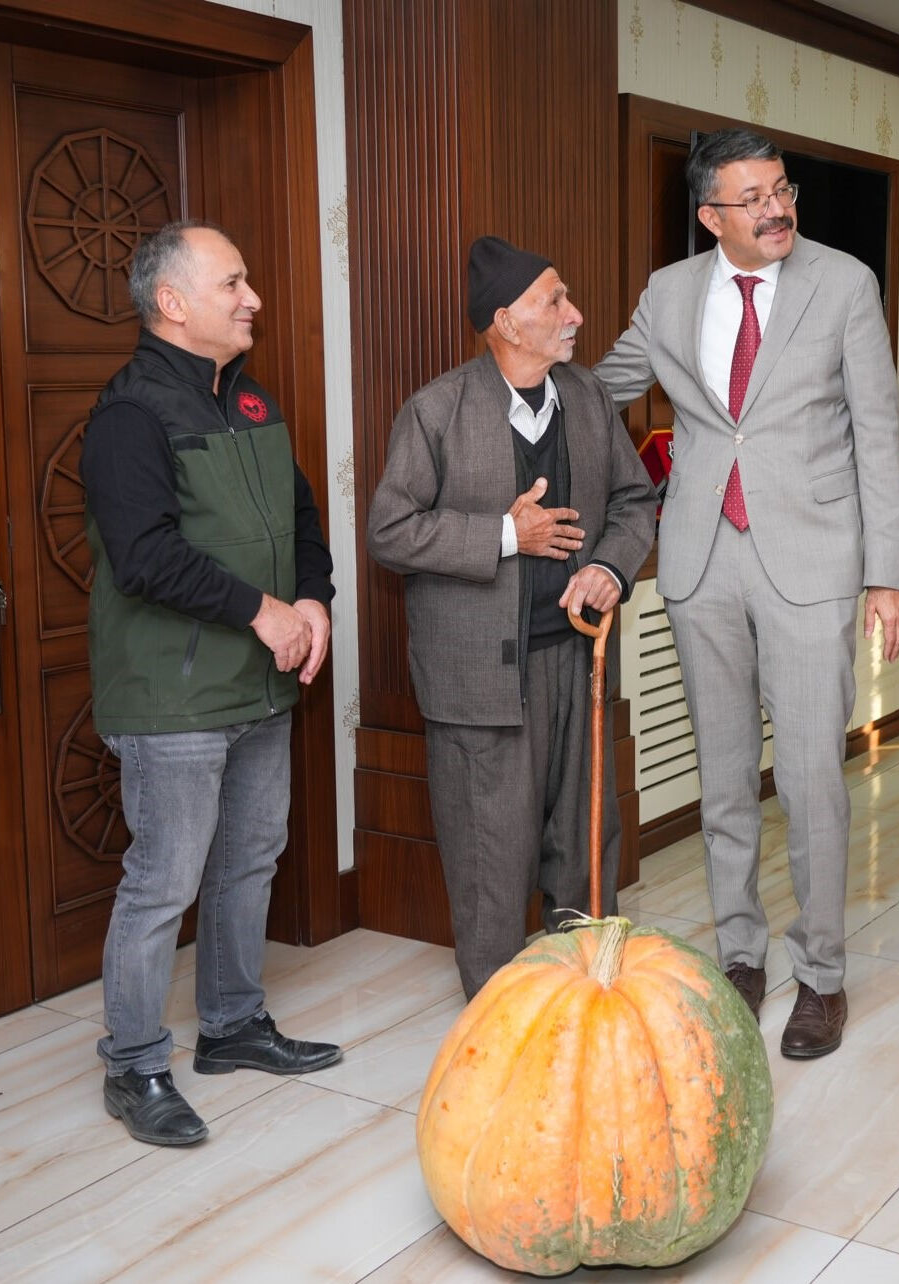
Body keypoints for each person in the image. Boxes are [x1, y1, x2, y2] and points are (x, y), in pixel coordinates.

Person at [594, 128, 899, 1059]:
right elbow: (601, 388)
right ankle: (740, 954)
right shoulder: (668, 292)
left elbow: (876, 428)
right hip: (699, 558)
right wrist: (510, 372)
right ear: (710, 216)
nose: (776, 209)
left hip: (813, 558)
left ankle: (821, 976)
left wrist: (885, 571)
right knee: (724, 777)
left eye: (783, 190)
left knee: (812, 779)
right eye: (753, 197)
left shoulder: (843, 283)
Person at [81, 221, 342, 1148]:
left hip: (260, 687)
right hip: (173, 697)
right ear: (174, 304)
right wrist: (263, 611)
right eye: (233, 282)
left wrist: (311, 599)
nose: (253, 298)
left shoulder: (250, 398)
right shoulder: (130, 415)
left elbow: (302, 510)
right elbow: (146, 557)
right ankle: (135, 1064)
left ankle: (230, 1027)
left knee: (248, 858)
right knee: (163, 882)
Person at [367, 237, 656, 1000]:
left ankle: (590, 1005)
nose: (576, 315)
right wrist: (506, 534)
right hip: (481, 680)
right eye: (554, 301)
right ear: (505, 321)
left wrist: (608, 566)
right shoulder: (438, 410)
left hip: (580, 663)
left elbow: (634, 501)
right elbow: (389, 532)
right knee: (490, 858)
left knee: (587, 846)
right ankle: (502, 1026)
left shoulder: (589, 398)